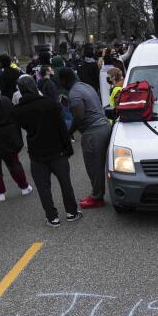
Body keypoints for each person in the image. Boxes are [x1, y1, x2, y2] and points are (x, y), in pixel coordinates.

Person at [13, 75, 81, 226]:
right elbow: (62, 128)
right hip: (57, 151)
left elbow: (18, 130)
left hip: (36, 153)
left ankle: (52, 217)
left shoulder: (18, 110)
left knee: (43, 187)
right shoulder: (50, 104)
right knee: (65, 182)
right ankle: (71, 212)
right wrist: (68, 148)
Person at [57, 67, 111, 209]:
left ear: (64, 80)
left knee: (94, 166)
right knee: (101, 165)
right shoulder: (86, 86)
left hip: (93, 131)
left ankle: (97, 198)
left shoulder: (74, 93)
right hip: (104, 126)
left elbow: (79, 116)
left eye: (60, 81)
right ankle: (98, 194)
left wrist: (69, 133)